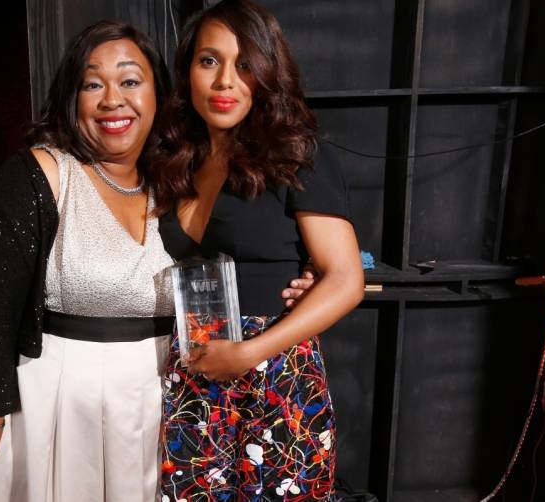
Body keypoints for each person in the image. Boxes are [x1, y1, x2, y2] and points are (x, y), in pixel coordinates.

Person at [0, 19, 315, 502]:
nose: (112, 99)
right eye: (92, 84)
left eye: (130, 81)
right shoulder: (43, 176)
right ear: (72, 98)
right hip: (59, 409)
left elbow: (240, 259)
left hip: (172, 404)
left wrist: (300, 281)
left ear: (159, 94)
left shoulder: (183, 180)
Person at [152, 1, 364, 500]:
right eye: (209, 61)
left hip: (274, 377)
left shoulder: (297, 153)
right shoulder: (173, 161)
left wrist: (247, 354)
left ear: (268, 71)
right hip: (192, 376)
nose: (226, 80)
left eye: (245, 63)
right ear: (188, 72)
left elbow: (345, 279)